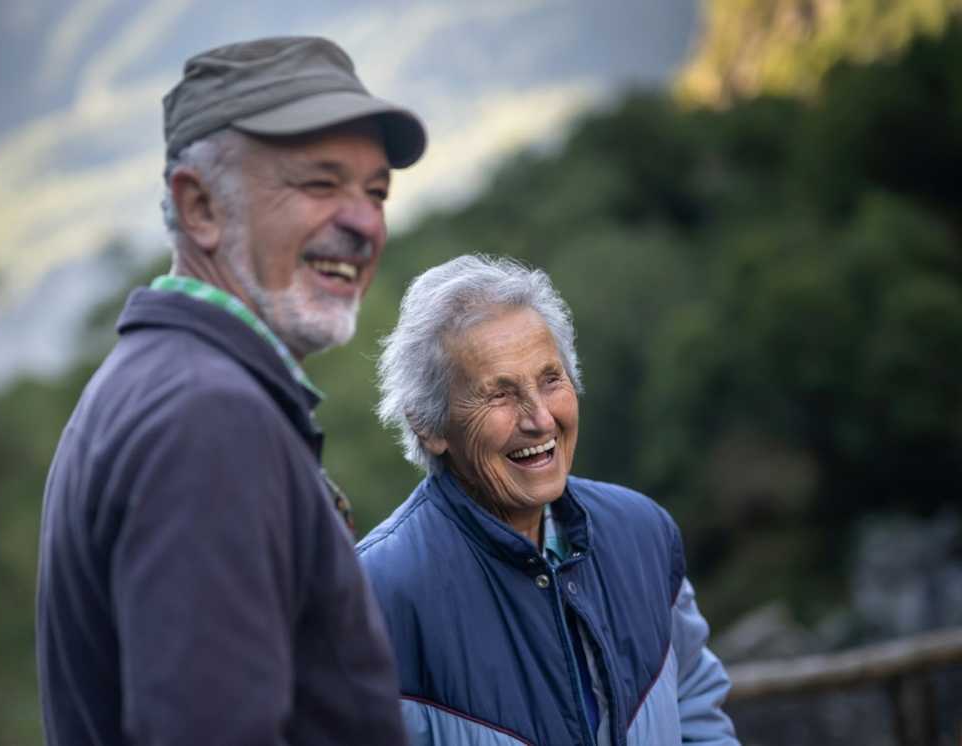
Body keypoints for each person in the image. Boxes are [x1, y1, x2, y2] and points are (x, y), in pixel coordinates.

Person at [36, 36, 425, 745]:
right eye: (319, 183)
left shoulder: (157, 381)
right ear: (201, 208)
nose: (365, 222)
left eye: (376, 192)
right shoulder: (208, 418)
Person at [359, 255, 739, 745]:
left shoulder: (642, 532)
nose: (539, 418)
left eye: (550, 379)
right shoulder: (374, 595)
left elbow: (698, 717)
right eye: (500, 394)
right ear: (428, 426)